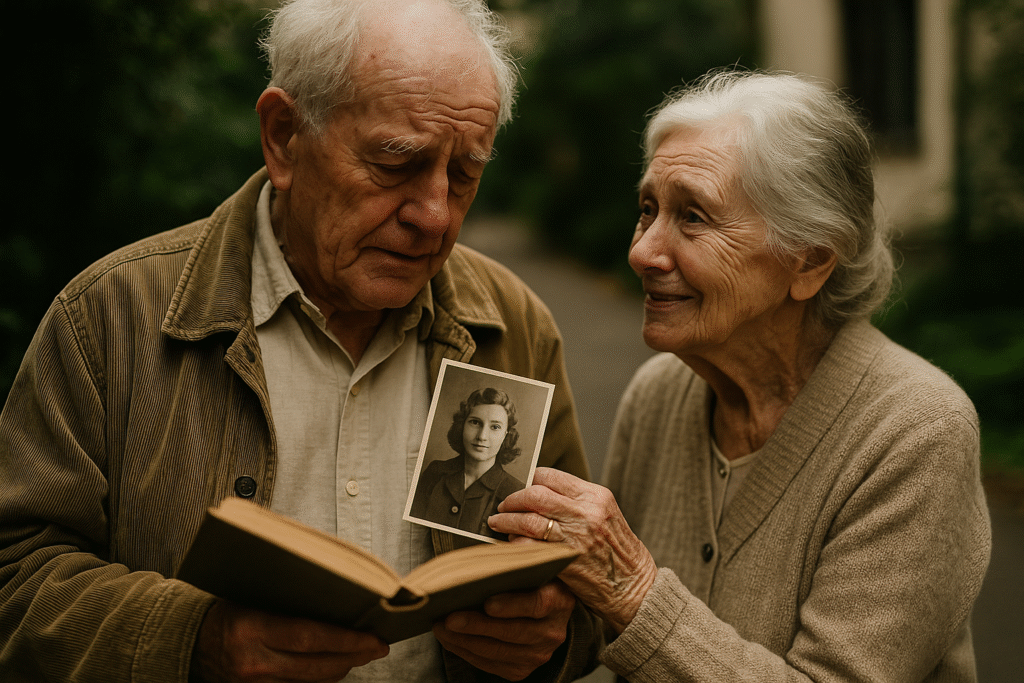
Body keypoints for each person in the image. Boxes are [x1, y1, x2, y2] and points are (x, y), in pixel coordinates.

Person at [0, 1, 600, 681]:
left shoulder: (513, 326)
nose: (436, 215)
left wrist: (552, 633)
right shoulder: (109, 319)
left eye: (464, 171)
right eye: (396, 162)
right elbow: (15, 575)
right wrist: (195, 639)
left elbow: (584, 600)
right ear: (284, 136)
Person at [490, 69, 992, 682]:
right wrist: (530, 632)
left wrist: (634, 590)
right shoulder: (659, 395)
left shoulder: (914, 432)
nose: (643, 251)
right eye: (648, 210)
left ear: (808, 262)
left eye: (694, 217)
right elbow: (601, 634)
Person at [410, 388, 525, 540]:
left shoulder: (515, 492)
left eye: (495, 427)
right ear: (462, 425)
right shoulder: (435, 472)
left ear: (506, 435)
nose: (482, 436)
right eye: (475, 422)